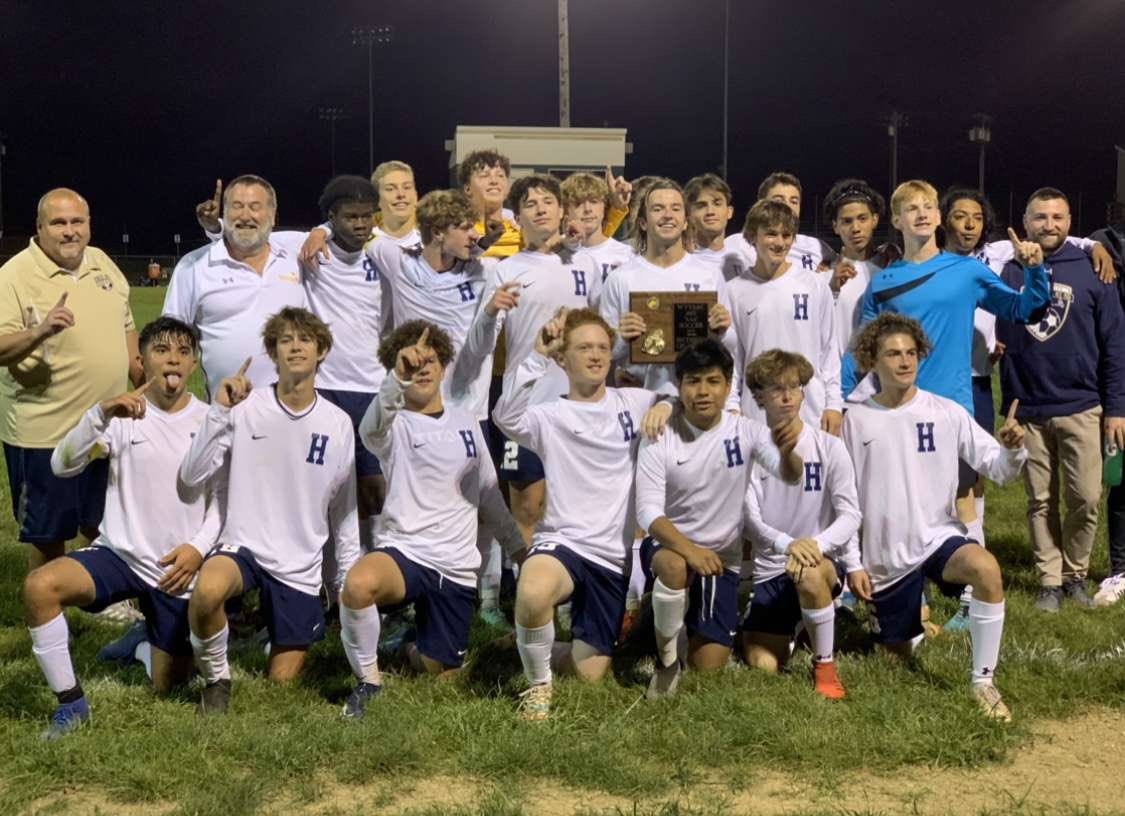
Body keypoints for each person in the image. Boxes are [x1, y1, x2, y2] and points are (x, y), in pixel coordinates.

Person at [23, 317, 219, 738]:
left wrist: (198, 548)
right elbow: (61, 465)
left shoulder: (211, 420)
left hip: (177, 568)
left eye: (184, 352)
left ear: (194, 364)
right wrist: (100, 413)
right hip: (121, 556)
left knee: (169, 684)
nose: (173, 359)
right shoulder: (123, 416)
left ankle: (141, 643)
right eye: (161, 350)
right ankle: (71, 703)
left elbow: (225, 501)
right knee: (41, 587)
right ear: (141, 362)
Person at [843, 313, 1027, 721]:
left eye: (911, 353)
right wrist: (853, 563)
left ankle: (983, 682)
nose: (905, 361)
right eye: (893, 354)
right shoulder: (854, 420)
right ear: (872, 360)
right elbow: (844, 502)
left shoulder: (946, 412)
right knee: (893, 662)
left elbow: (1000, 470)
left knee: (986, 569)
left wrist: (1013, 449)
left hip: (938, 538)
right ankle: (909, 628)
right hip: (886, 558)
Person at [337, 321, 525, 718]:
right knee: (358, 585)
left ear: (443, 366)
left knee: (442, 675)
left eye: (431, 361)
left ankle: (407, 645)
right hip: (405, 552)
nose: (422, 369)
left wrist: (519, 551)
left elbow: (490, 493)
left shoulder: (467, 422)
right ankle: (369, 681)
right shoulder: (393, 422)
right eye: (412, 363)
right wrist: (396, 380)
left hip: (456, 566)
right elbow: (370, 430)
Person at [493, 308, 671, 720]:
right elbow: (505, 416)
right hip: (564, 543)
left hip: (611, 557)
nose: (596, 355)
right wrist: (537, 355)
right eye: (584, 348)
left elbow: (681, 400)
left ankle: (527, 642)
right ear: (562, 358)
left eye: (603, 348)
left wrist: (667, 404)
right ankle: (538, 688)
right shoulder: (548, 416)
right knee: (534, 589)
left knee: (590, 673)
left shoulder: (634, 402)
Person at [181, 307, 360, 715]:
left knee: (282, 683)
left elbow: (345, 510)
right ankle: (216, 680)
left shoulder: (337, 423)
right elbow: (192, 475)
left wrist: (345, 579)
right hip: (243, 546)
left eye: (305, 340)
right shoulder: (244, 407)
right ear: (272, 351)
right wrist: (219, 411)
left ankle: (265, 635)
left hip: (299, 564)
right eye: (285, 340)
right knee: (207, 592)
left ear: (321, 351)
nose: (295, 347)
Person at [634, 340, 802, 699]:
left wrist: (790, 454)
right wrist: (690, 551)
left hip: (721, 558)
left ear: (728, 386)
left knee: (708, 665)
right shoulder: (659, 433)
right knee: (675, 566)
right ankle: (666, 663)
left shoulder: (747, 431)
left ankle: (660, 618)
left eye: (713, 381)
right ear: (679, 386)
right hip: (671, 546)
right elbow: (648, 513)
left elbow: (789, 475)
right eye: (693, 381)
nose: (703, 391)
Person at [996, 188, 1125, 612]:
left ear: (1070, 223)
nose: (1048, 225)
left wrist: (1117, 407)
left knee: (1086, 498)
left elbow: (1115, 342)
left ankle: (1075, 575)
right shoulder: (1008, 268)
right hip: (1030, 407)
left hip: (1083, 404)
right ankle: (1050, 580)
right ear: (1025, 222)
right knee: (1040, 500)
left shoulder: (1094, 267)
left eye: (1057, 217)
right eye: (1040, 217)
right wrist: (1009, 401)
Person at [0, 188, 142, 572]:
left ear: (89, 225)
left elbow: (126, 324)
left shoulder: (102, 262)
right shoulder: (14, 275)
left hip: (106, 428)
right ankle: (47, 601)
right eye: (58, 223)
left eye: (77, 221)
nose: (69, 231)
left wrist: (138, 370)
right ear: (40, 227)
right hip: (45, 433)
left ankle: (100, 593)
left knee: (103, 522)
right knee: (50, 535)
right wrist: (39, 332)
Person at [741, 349, 861, 699]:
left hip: (820, 562)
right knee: (763, 664)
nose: (787, 396)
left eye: (794, 387)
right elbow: (750, 521)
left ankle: (824, 669)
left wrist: (814, 546)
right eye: (777, 389)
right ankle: (801, 626)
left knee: (809, 575)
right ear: (758, 397)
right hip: (772, 568)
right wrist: (787, 544)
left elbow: (850, 514)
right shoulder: (749, 454)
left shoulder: (829, 447)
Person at [163, 175, 308, 398]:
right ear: (224, 213)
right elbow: (170, 337)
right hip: (227, 408)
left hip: (293, 409)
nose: (245, 215)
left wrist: (324, 232)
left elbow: (339, 232)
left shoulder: (296, 255)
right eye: (237, 206)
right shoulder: (194, 265)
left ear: (272, 215)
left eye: (255, 207)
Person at [727, 200, 842, 434]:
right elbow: (732, 358)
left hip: (810, 414)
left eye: (786, 235)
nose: (780, 243)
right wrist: (731, 406)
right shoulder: (734, 291)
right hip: (756, 416)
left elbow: (829, 350)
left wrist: (834, 404)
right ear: (753, 236)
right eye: (771, 234)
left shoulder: (814, 285)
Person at [725, 172, 837, 273]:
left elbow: (840, 262)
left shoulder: (815, 245)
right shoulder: (737, 243)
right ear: (761, 205)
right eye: (778, 200)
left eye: (794, 201)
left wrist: (830, 269)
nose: (787, 206)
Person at [823, 179, 886, 359]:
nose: (855, 228)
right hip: (843, 373)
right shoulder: (825, 276)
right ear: (835, 226)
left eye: (862, 218)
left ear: (875, 220)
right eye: (847, 221)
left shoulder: (892, 266)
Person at [560, 172, 635, 283]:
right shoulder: (550, 253)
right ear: (565, 210)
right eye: (578, 203)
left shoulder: (628, 256)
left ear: (605, 206)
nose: (587, 209)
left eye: (594, 201)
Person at [684, 173, 745, 279]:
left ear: (729, 212)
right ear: (689, 216)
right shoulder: (682, 264)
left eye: (717, 204)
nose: (710, 211)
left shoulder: (744, 258)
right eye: (701, 206)